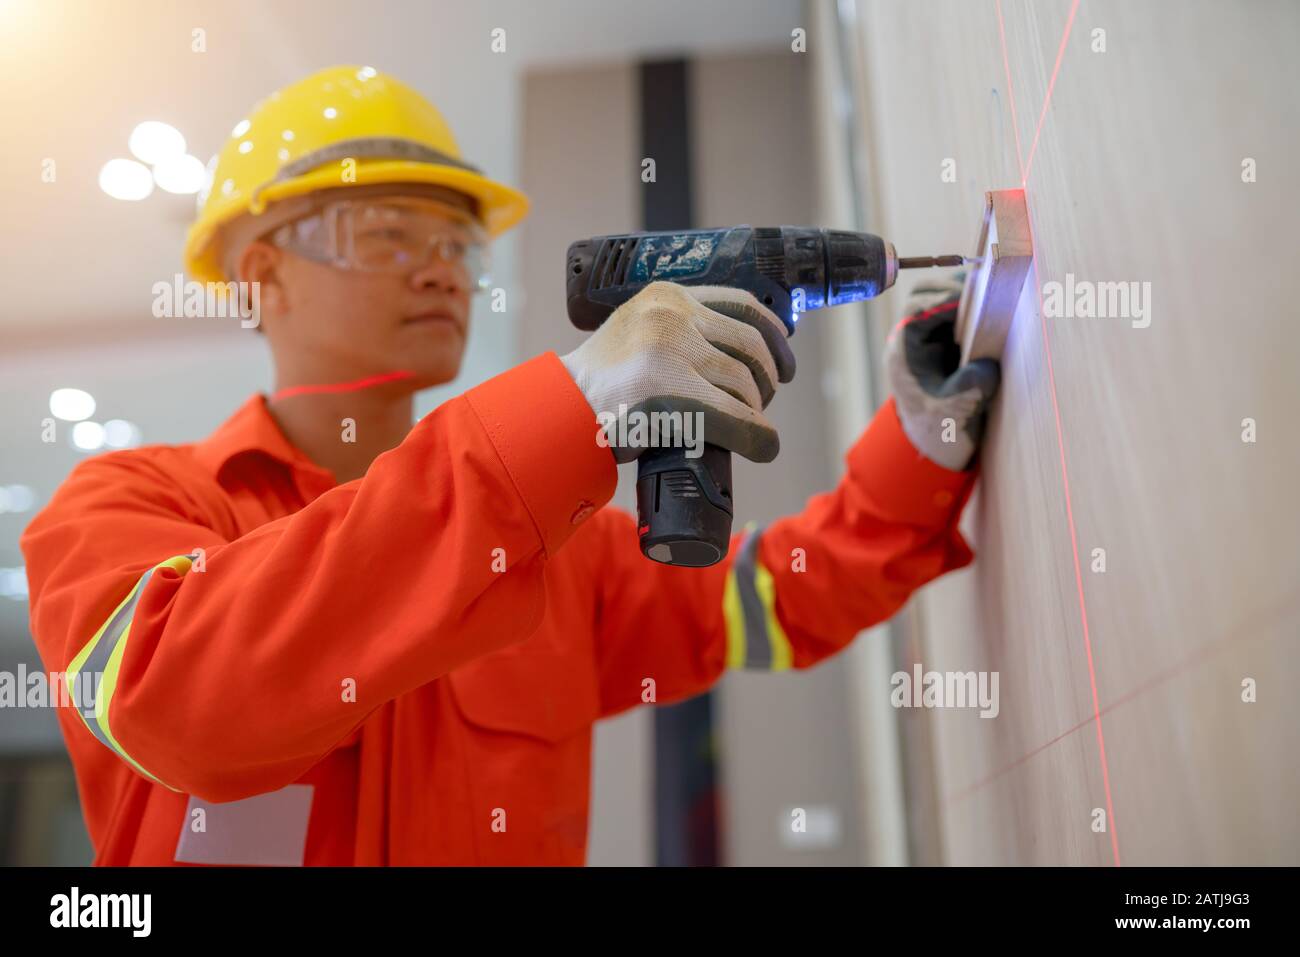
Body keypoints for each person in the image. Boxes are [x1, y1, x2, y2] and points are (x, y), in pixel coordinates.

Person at [21, 66, 1000, 865]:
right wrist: (571, 408)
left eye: (457, 241)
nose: (442, 266)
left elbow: (773, 597)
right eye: (387, 231)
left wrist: (919, 449)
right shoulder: (126, 508)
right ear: (258, 275)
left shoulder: (556, 549)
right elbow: (186, 707)